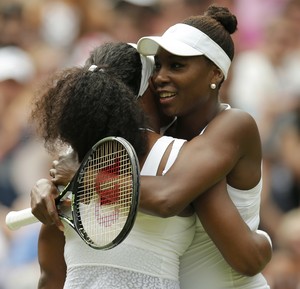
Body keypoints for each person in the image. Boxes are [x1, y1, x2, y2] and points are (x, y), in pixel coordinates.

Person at [31, 6, 272, 288]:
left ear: (216, 73)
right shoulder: (168, 143)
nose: (160, 77)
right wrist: (50, 185)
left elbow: (169, 197)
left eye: (177, 65)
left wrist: (81, 178)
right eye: (157, 66)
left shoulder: (233, 124)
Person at [30, 42, 196, 289]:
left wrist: (78, 178)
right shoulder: (181, 155)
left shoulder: (69, 164)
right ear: (147, 89)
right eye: (158, 75)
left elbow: (50, 276)